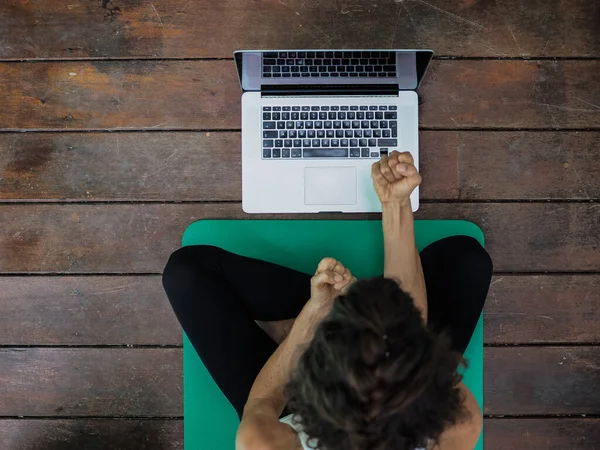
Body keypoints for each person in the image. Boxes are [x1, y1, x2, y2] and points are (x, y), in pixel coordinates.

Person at [163, 151, 493, 450]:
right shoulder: (456, 426)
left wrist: (314, 314)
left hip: (305, 385)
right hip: (388, 376)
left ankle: (302, 324)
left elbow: (263, 400)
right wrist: (395, 204)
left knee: (187, 275)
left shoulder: (266, 443)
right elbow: (412, 328)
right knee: (467, 261)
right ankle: (365, 307)